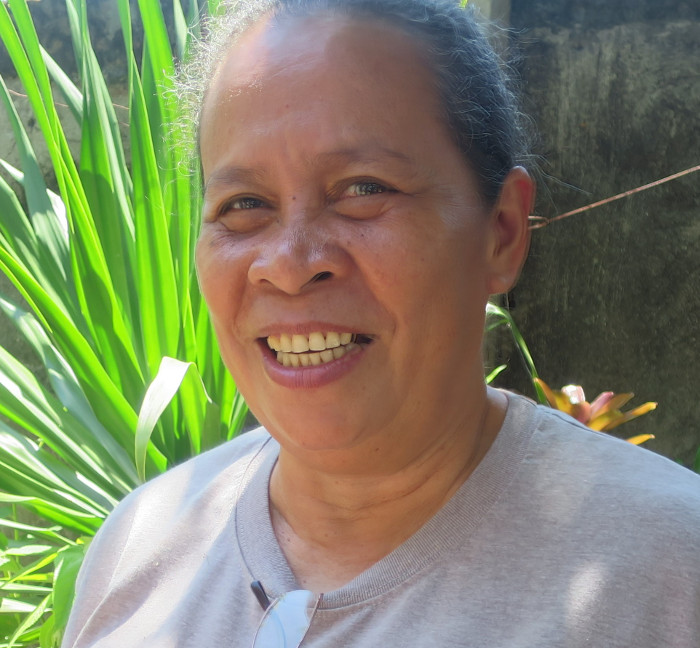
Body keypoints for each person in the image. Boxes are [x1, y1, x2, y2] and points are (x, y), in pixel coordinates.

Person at [61, 0, 700, 646]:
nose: (290, 265)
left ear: (502, 232)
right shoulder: (138, 548)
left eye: (364, 189)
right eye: (244, 203)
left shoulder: (671, 575)